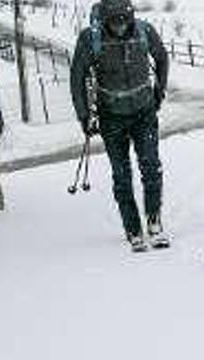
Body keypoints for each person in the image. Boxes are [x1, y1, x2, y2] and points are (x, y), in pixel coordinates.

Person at [71, 0, 170, 251]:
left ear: (131, 17)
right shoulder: (90, 38)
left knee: (151, 167)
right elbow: (77, 77)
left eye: (124, 21)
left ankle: (154, 221)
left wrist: (160, 89)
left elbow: (162, 58)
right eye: (114, 22)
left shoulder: (145, 32)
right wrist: (84, 115)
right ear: (104, 20)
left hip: (144, 112)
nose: (120, 26)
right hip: (111, 116)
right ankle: (133, 229)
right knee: (122, 175)